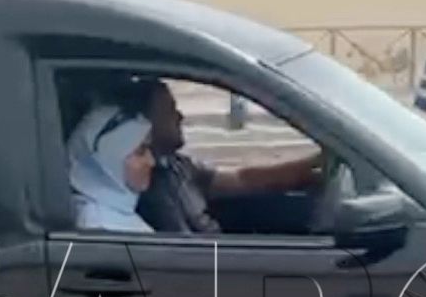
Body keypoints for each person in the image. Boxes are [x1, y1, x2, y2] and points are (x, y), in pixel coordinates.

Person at [128, 78, 324, 235]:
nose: (180, 116)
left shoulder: (176, 164)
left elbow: (241, 180)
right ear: (146, 123)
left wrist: (310, 166)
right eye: (170, 111)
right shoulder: (151, 187)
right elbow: (187, 252)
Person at [66, 106, 156, 232]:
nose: (151, 161)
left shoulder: (115, 216)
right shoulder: (100, 226)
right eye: (140, 152)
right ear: (109, 160)